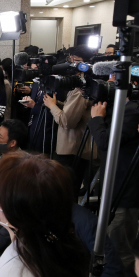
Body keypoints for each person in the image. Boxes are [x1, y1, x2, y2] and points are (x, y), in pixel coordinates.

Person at [89, 98, 139, 272]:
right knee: (109, 242)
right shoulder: (120, 107)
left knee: (119, 245)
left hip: (124, 189)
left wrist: (97, 119)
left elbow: (106, 142)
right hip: (112, 187)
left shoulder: (134, 111)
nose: (111, 80)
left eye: (115, 75)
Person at [44, 47, 97, 196]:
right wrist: (57, 103)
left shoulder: (82, 90)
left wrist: (53, 106)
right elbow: (71, 110)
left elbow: (67, 122)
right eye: (71, 60)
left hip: (72, 150)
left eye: (77, 62)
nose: (72, 65)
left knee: (64, 193)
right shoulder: (77, 86)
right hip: (72, 149)